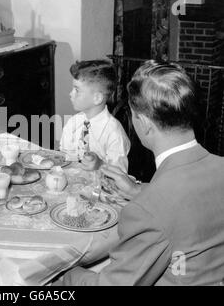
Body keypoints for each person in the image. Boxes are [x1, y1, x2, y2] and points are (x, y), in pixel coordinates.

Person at [62, 60, 224, 286]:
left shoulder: (147, 211)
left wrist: (62, 275)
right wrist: (138, 190)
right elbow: (187, 202)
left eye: (133, 114)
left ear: (144, 123)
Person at [59, 60, 130, 173]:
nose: (71, 93)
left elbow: (120, 176)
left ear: (97, 98)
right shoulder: (73, 122)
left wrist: (100, 165)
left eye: (77, 90)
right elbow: (64, 156)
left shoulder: (114, 133)